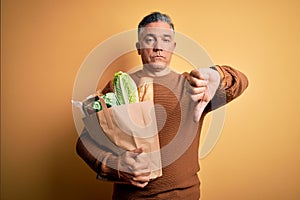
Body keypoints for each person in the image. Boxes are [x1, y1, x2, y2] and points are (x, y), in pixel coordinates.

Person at [76, 12, 248, 199]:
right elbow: (84, 143)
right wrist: (115, 166)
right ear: (139, 47)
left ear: (173, 47)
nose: (158, 47)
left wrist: (218, 74)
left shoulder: (194, 86)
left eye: (165, 40)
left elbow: (242, 81)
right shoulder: (117, 88)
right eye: (150, 39)